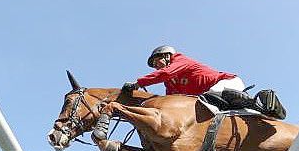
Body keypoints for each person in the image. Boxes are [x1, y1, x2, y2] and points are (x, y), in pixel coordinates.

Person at [121, 45, 286, 119]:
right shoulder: (170, 84)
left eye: (156, 62)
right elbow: (169, 102)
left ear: (167, 55)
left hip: (227, 83)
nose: (156, 66)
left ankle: (262, 104)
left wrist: (137, 84)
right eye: (154, 65)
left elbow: (164, 73)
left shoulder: (179, 60)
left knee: (208, 96)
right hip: (210, 98)